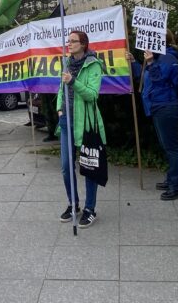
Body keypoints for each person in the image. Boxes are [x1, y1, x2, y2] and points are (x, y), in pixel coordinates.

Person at [56, 30, 106, 228]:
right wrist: (59, 109)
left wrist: (73, 82)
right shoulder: (67, 63)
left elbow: (92, 95)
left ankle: (90, 209)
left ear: (83, 44)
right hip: (66, 121)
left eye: (73, 41)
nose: (69, 44)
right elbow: (61, 89)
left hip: (85, 124)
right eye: (68, 41)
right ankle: (73, 203)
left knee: (89, 167)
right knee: (66, 166)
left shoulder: (94, 65)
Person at [142, 30, 178, 201]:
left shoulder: (168, 58)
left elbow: (160, 80)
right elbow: (146, 78)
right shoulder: (161, 57)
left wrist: (151, 63)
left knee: (172, 148)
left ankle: (177, 186)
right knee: (168, 146)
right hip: (159, 106)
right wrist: (137, 64)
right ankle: (171, 180)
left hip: (166, 106)